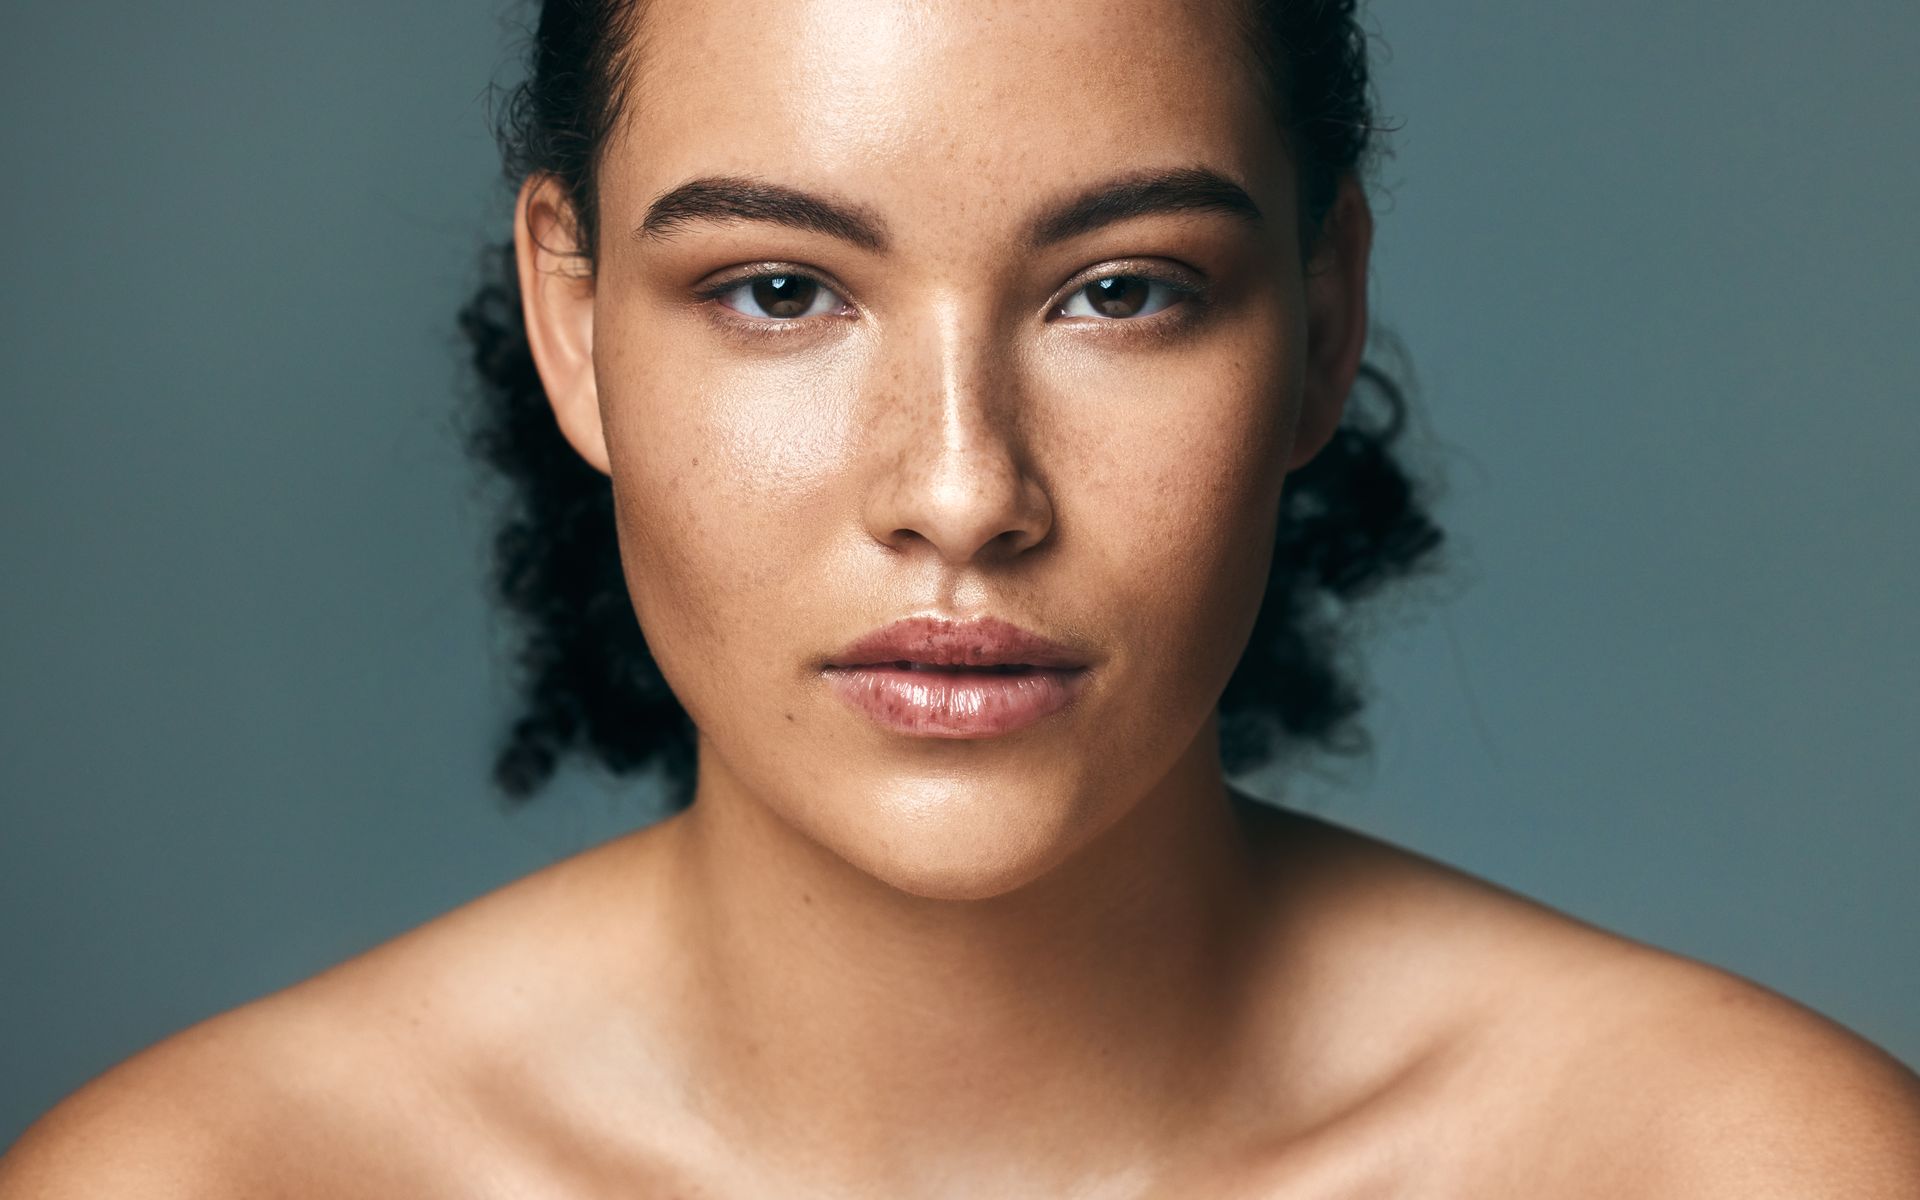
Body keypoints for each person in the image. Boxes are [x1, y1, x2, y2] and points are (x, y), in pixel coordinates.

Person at [5, 0, 1918, 1194]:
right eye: (778, 289)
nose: (961, 491)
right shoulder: (212, 1185)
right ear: (573, 327)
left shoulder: (1741, 1169)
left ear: (1322, 322)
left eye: (1124, 289)